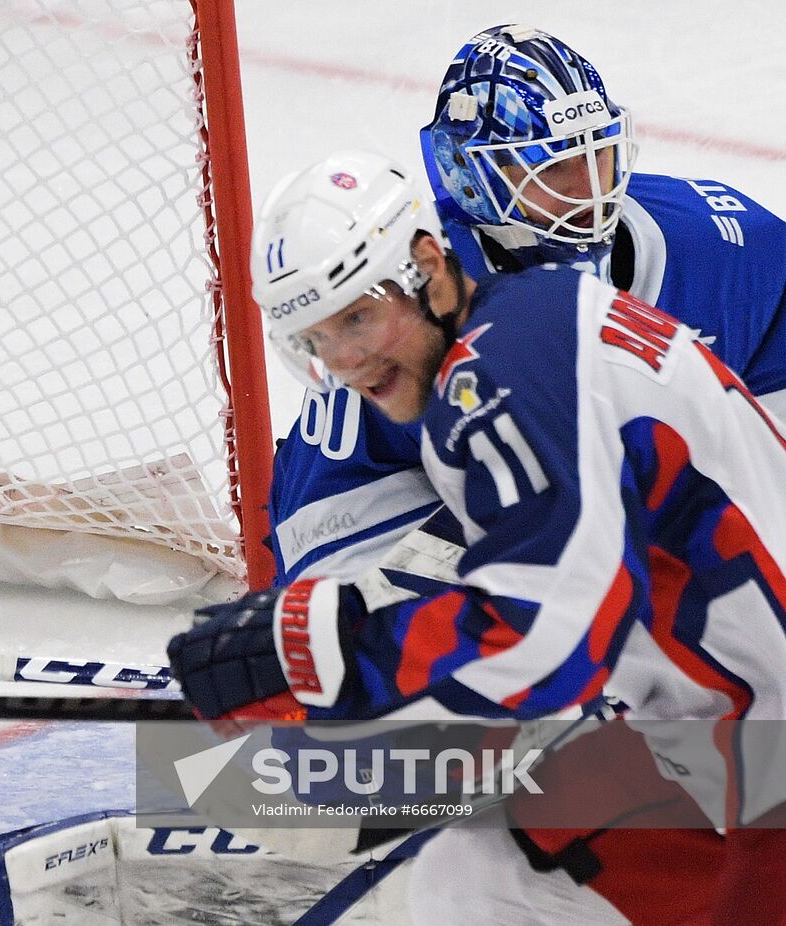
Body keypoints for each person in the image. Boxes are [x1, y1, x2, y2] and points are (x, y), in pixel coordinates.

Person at [169, 149, 786, 925]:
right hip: (734, 746)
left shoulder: (499, 373)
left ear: (428, 264)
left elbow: (549, 640)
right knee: (480, 868)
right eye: (318, 338)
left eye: (359, 315)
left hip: (764, 768)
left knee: (484, 877)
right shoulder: (532, 328)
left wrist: (338, 651)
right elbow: (593, 621)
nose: (348, 360)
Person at [268, 23, 786, 585]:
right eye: (553, 166)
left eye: (600, 155)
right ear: (471, 176)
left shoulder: (727, 245)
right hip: (496, 569)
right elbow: (323, 534)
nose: (590, 189)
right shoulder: (406, 299)